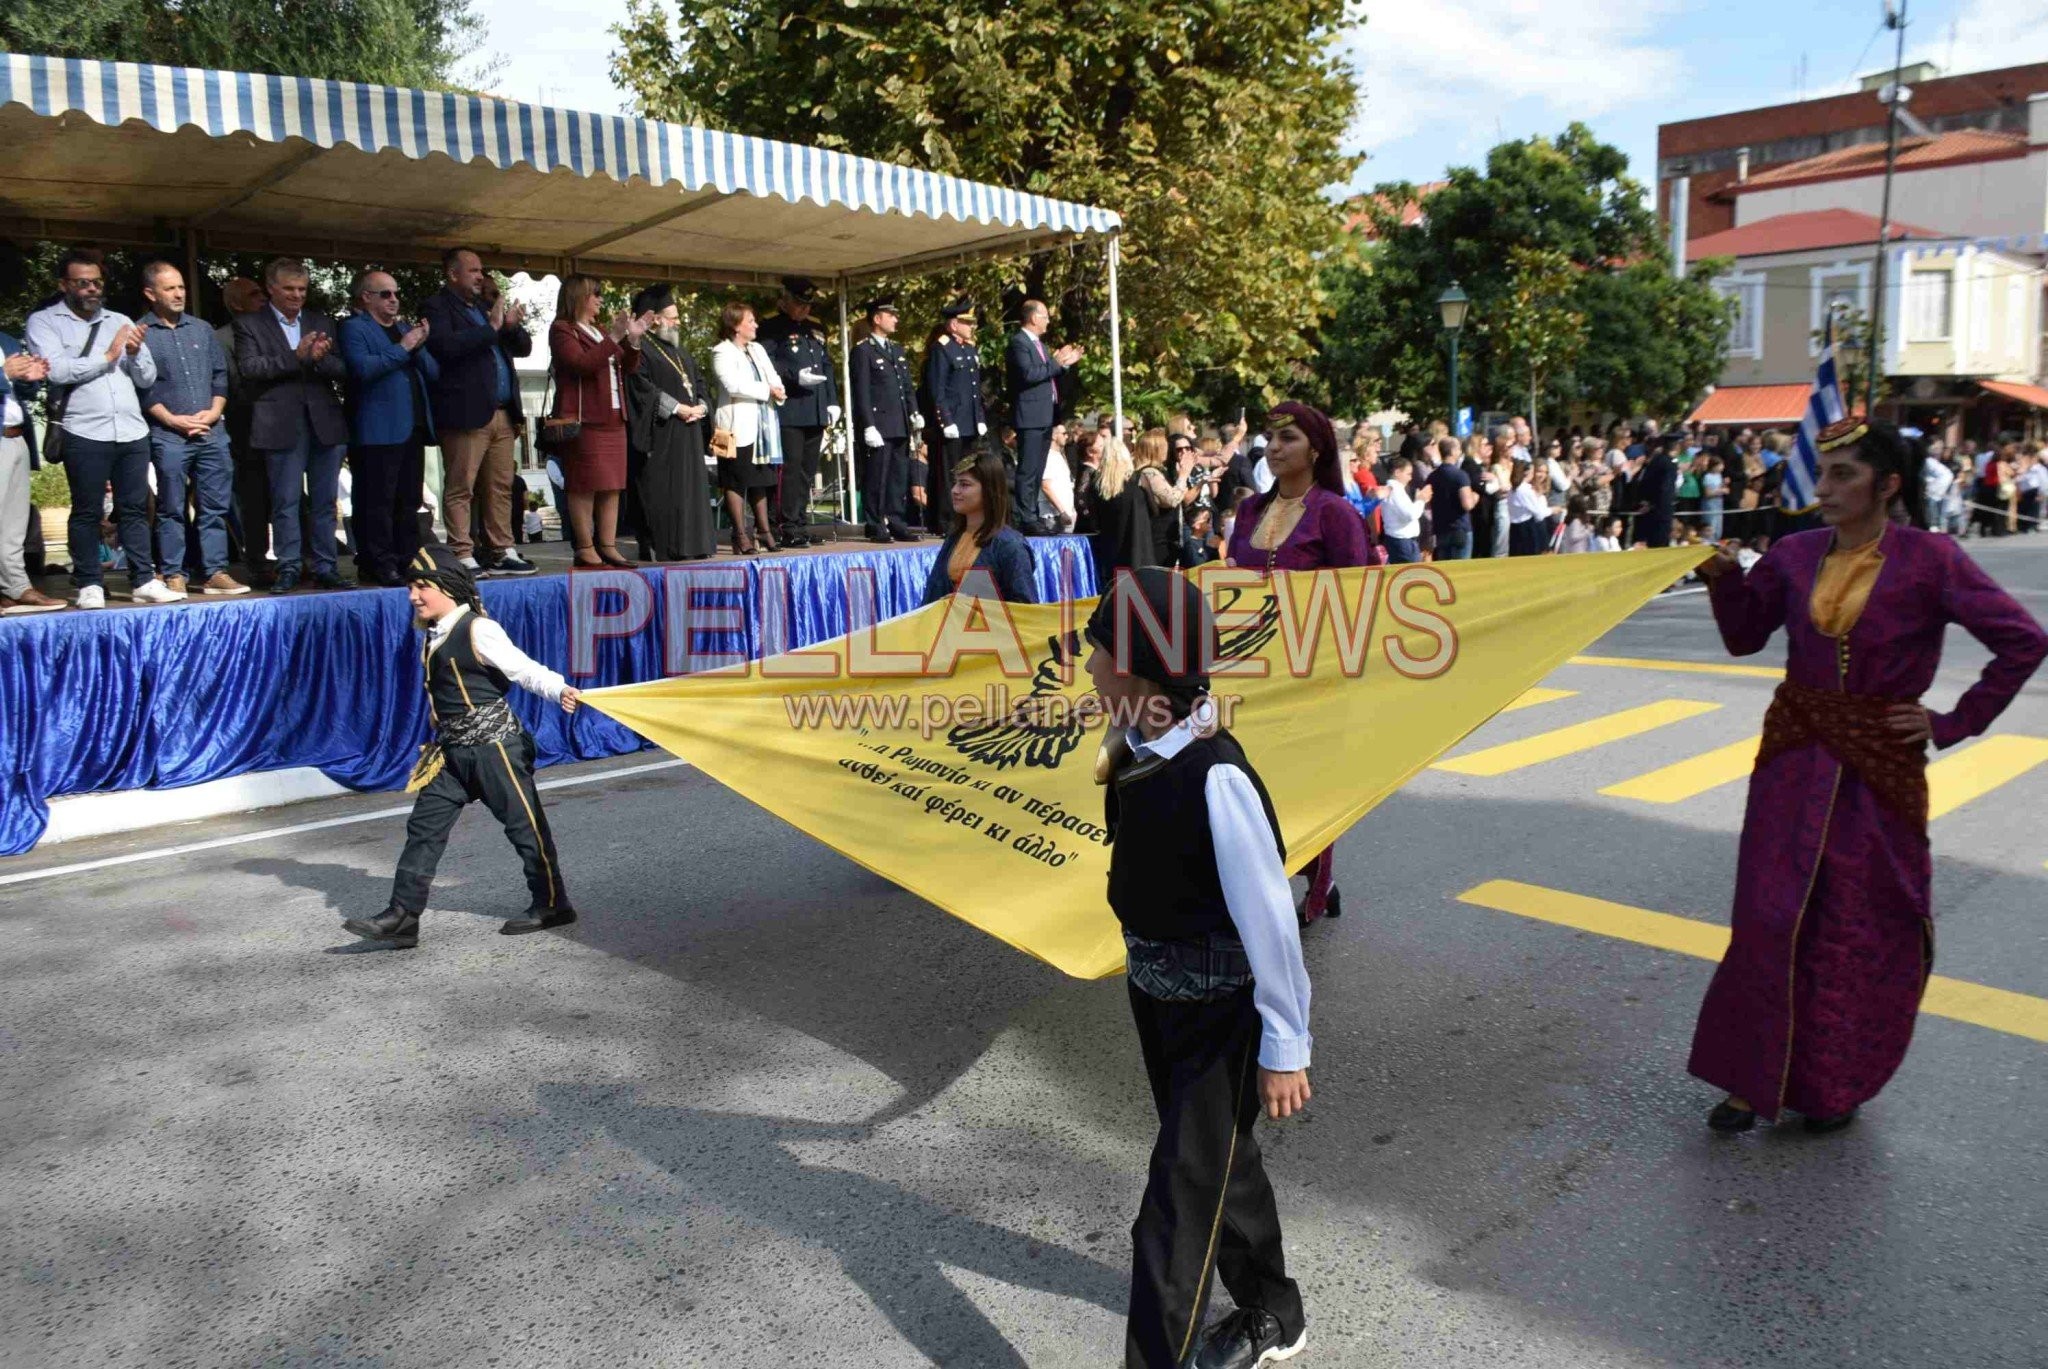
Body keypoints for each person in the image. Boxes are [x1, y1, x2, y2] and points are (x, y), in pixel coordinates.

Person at [1689, 418, 2046, 1136]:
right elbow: (1744, 636)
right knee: (1766, 914)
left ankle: (1829, 1084)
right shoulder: (1792, 553)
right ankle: (1745, 1079)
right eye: (1822, 473)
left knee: (1853, 924)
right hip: (1794, 754)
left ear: (1887, 484)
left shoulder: (1931, 559)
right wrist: (1725, 578)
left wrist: (1950, 722)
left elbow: (2024, 640)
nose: (1823, 489)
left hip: (1877, 767)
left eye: (1844, 475)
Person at [1085, 566, 1312, 1369]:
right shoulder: (1142, 746)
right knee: (1222, 1160)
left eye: (1099, 650)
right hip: (1160, 998)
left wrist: (1285, 1040)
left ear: (1141, 667)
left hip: (1221, 1014)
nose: (1087, 665)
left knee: (1174, 1207)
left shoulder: (1214, 775)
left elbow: (1271, 920)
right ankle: (1274, 1307)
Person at [343, 545, 583, 950]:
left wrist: (558, 688)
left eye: (422, 586)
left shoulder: (477, 629)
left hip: (494, 749)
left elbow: (522, 668)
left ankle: (553, 903)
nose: (413, 595)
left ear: (448, 587)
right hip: (451, 753)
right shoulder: (433, 631)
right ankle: (403, 916)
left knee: (525, 828)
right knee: (424, 828)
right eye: (410, 587)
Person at [1225, 401, 1372, 927]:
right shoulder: (1248, 511)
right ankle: (1255, 882)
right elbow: (1230, 586)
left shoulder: (1335, 512)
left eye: (1287, 437)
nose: (1274, 445)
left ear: (1316, 449)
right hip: (1249, 671)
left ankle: (1318, 883)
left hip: (1314, 673)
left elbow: (1357, 596)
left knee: (1307, 782)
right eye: (1270, 436)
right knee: (1248, 778)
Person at [28, 247, 178, 608]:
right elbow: (58, 371)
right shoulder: (45, 322)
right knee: (86, 511)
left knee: (134, 509)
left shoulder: (120, 320)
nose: (92, 289)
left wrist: (131, 355)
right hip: (84, 430)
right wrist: (109, 356)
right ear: (64, 284)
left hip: (130, 429)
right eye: (83, 283)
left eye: (97, 282)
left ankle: (143, 579)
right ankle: (89, 583)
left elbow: (146, 377)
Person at [233, 257, 352, 593]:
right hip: (279, 423)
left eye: (302, 289)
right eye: (289, 289)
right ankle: (289, 567)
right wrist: (295, 356)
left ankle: (326, 566)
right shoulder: (250, 324)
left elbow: (342, 369)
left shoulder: (321, 320)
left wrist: (320, 359)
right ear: (271, 289)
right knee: (285, 502)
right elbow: (250, 368)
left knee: (325, 502)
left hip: (323, 422)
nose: (297, 295)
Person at [421, 247, 536, 577]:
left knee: (500, 486)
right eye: (472, 271)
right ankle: (461, 552)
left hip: (501, 412)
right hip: (465, 412)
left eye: (481, 270)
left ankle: (501, 549)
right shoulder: (438, 306)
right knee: (461, 487)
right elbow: (445, 347)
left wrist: (509, 326)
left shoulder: (485, 307)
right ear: (453, 274)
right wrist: (493, 328)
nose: (480, 277)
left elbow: (524, 348)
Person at [137, 261, 245, 597]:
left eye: (181, 286)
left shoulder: (202, 329)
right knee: (171, 507)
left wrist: (213, 413)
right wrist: (173, 420)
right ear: (150, 293)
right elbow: (141, 387)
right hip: (168, 434)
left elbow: (220, 376)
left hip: (211, 431)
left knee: (215, 506)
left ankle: (214, 572)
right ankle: (174, 573)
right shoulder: (140, 332)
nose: (179, 293)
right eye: (170, 288)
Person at [339, 269, 437, 588]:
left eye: (396, 294)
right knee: (376, 501)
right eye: (385, 294)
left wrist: (419, 343)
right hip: (377, 430)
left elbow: (433, 372)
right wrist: (403, 347)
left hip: (412, 426)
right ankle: (376, 562)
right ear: (366, 297)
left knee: (408, 501)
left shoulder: (404, 329)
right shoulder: (354, 328)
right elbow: (363, 369)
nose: (394, 300)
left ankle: (407, 559)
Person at [548, 274, 648, 567]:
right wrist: (615, 338)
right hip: (586, 419)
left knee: (611, 484)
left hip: (614, 417)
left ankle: (608, 544)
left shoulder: (598, 330)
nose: (600, 300)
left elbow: (628, 366)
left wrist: (633, 339)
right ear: (579, 297)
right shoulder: (562, 330)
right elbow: (581, 365)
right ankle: (584, 546)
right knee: (585, 484)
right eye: (596, 294)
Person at [624, 286, 717, 562]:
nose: (678, 322)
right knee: (662, 492)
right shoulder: (641, 349)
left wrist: (701, 404)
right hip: (661, 434)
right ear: (654, 319)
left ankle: (694, 544)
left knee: (691, 492)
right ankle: (661, 545)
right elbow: (641, 387)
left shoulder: (681, 351)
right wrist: (676, 408)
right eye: (672, 317)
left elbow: (697, 382)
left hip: (688, 432)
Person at [757, 276, 840, 547]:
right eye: (800, 304)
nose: (805, 310)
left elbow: (826, 364)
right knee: (789, 471)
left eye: (808, 305)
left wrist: (831, 401)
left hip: (814, 407)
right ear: (786, 300)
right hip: (790, 407)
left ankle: (800, 522)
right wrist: (794, 377)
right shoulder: (770, 326)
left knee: (807, 470)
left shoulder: (815, 327)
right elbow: (765, 364)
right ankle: (785, 524)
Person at [708, 299, 786, 555]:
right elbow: (733, 385)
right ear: (735, 325)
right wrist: (767, 390)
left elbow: (771, 374)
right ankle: (740, 534)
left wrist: (778, 389)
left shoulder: (757, 349)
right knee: (734, 480)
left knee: (760, 479)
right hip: (731, 427)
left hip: (762, 426)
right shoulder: (721, 351)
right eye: (750, 320)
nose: (755, 325)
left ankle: (764, 531)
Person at [920, 449, 1037, 606]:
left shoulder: (1010, 545)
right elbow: (933, 596)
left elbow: (1025, 608)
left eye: (965, 484)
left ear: (989, 490)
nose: (955, 490)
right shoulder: (955, 537)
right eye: (956, 483)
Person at [849, 295, 922, 544]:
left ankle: (897, 521)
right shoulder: (863, 351)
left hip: (899, 422)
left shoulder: (897, 349)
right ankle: (875, 522)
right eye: (891, 315)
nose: (896, 319)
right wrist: (868, 424)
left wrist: (914, 411)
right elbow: (862, 392)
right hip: (878, 424)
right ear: (877, 318)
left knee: (898, 477)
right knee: (877, 477)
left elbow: (906, 387)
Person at [1006, 299, 1082, 535]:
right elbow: (1029, 374)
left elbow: (1047, 373)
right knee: (1028, 469)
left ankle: (1032, 514)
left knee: (1038, 468)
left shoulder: (1040, 345)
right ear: (1033, 318)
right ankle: (1023, 516)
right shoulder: (1019, 343)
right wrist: (1057, 363)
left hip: (1044, 414)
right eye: (1045, 316)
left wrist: (1064, 365)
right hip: (1029, 415)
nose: (1048, 321)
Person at [0, 329, 61, 613]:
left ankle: (15, 586)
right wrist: (4, 373)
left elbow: (21, 394)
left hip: (16, 438)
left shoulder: (8, 340)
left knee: (14, 525)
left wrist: (31, 379)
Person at [924, 296, 987, 534]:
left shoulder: (969, 349)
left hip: (968, 422)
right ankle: (944, 521)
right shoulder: (942, 349)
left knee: (967, 472)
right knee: (948, 473)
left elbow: (974, 390)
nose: (972, 327)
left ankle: (962, 518)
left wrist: (979, 418)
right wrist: (945, 420)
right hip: (952, 423)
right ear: (953, 325)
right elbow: (937, 390)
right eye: (967, 322)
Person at [1089, 432, 1153, 581]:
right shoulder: (1137, 480)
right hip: (1138, 545)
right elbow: (1153, 509)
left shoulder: (1098, 484)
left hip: (1110, 547)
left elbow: (1095, 517)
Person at [1134, 430, 1197, 568]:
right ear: (1155, 449)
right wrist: (1184, 475)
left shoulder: (1161, 471)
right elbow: (1171, 500)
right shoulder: (1149, 472)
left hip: (1169, 538)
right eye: (1165, 446)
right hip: (1157, 539)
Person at [1426, 435, 1477, 560]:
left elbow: (1428, 502)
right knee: (1461, 571)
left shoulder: (1432, 476)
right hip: (1459, 528)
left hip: (1441, 529)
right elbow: (1467, 504)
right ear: (1453, 451)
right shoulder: (1460, 475)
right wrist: (1475, 497)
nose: (1460, 452)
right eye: (1458, 449)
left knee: (1447, 571)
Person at [1377, 452, 1424, 563]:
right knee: (1411, 575)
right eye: (1408, 474)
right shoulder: (1395, 490)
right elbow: (1410, 514)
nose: (1410, 478)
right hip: (1402, 542)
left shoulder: (1397, 489)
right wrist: (1421, 500)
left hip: (1402, 542)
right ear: (1397, 472)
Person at [1634, 436, 1679, 548]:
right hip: (1662, 508)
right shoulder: (1669, 463)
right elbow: (1666, 487)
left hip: (1651, 506)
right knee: (1660, 541)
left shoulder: (1656, 460)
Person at [1507, 459, 1549, 556]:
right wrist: (1552, 510)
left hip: (1515, 528)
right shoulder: (1525, 490)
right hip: (1526, 528)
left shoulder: (1513, 489)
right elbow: (1539, 514)